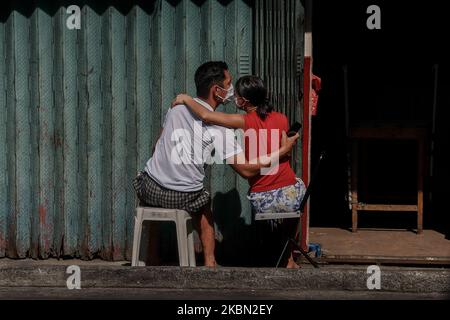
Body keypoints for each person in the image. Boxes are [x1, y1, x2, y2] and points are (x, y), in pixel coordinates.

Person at [133, 62, 299, 267]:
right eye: (229, 84)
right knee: (204, 208)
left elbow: (157, 145)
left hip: (149, 188)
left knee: (151, 184)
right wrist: (281, 152)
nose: (231, 90)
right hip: (183, 195)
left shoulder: (176, 107)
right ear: (216, 90)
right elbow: (246, 170)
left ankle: (150, 256)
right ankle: (210, 262)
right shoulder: (221, 130)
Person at [172, 75, 306, 268]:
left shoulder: (243, 121)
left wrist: (186, 98)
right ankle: (287, 257)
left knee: (278, 203)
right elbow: (274, 155)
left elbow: (207, 116)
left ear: (244, 101)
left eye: (236, 95)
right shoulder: (282, 119)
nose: (234, 98)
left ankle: (284, 257)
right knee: (298, 191)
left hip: (263, 200)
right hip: (291, 197)